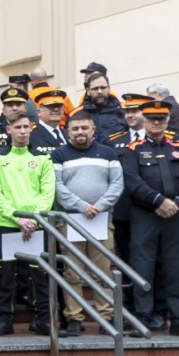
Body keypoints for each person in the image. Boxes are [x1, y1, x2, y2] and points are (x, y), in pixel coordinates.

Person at [120, 100, 179, 337]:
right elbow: (132, 182)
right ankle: (144, 318)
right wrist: (159, 201)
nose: (157, 123)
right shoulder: (133, 149)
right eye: (152, 119)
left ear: (167, 122)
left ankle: (178, 320)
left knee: (177, 268)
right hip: (146, 215)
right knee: (143, 266)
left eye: (161, 119)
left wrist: (176, 203)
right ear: (144, 121)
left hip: (176, 215)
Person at [51, 110, 124, 337]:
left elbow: (117, 184)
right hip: (70, 219)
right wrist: (82, 206)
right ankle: (74, 318)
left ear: (93, 130)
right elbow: (56, 186)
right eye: (75, 129)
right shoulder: (59, 155)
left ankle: (107, 317)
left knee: (102, 271)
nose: (80, 132)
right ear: (68, 131)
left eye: (84, 128)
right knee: (72, 272)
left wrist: (100, 206)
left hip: (101, 219)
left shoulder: (108, 153)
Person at [0, 111, 56, 336]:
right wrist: (17, 218)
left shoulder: (43, 158)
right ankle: (5, 321)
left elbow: (47, 193)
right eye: (18, 127)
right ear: (9, 130)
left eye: (26, 127)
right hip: (7, 223)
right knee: (6, 276)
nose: (23, 131)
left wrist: (33, 219)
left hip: (36, 225)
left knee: (39, 275)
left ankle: (43, 320)